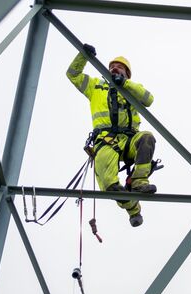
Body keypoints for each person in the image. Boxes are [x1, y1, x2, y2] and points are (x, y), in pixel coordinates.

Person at [67, 44, 157, 227]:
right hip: (106, 142)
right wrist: (83, 56)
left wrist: (125, 84)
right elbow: (73, 74)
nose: (114, 68)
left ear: (127, 73)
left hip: (130, 140)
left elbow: (149, 99)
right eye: (112, 66)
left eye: (120, 67)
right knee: (110, 185)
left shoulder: (132, 88)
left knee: (147, 138)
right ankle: (133, 209)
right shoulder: (95, 86)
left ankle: (139, 181)